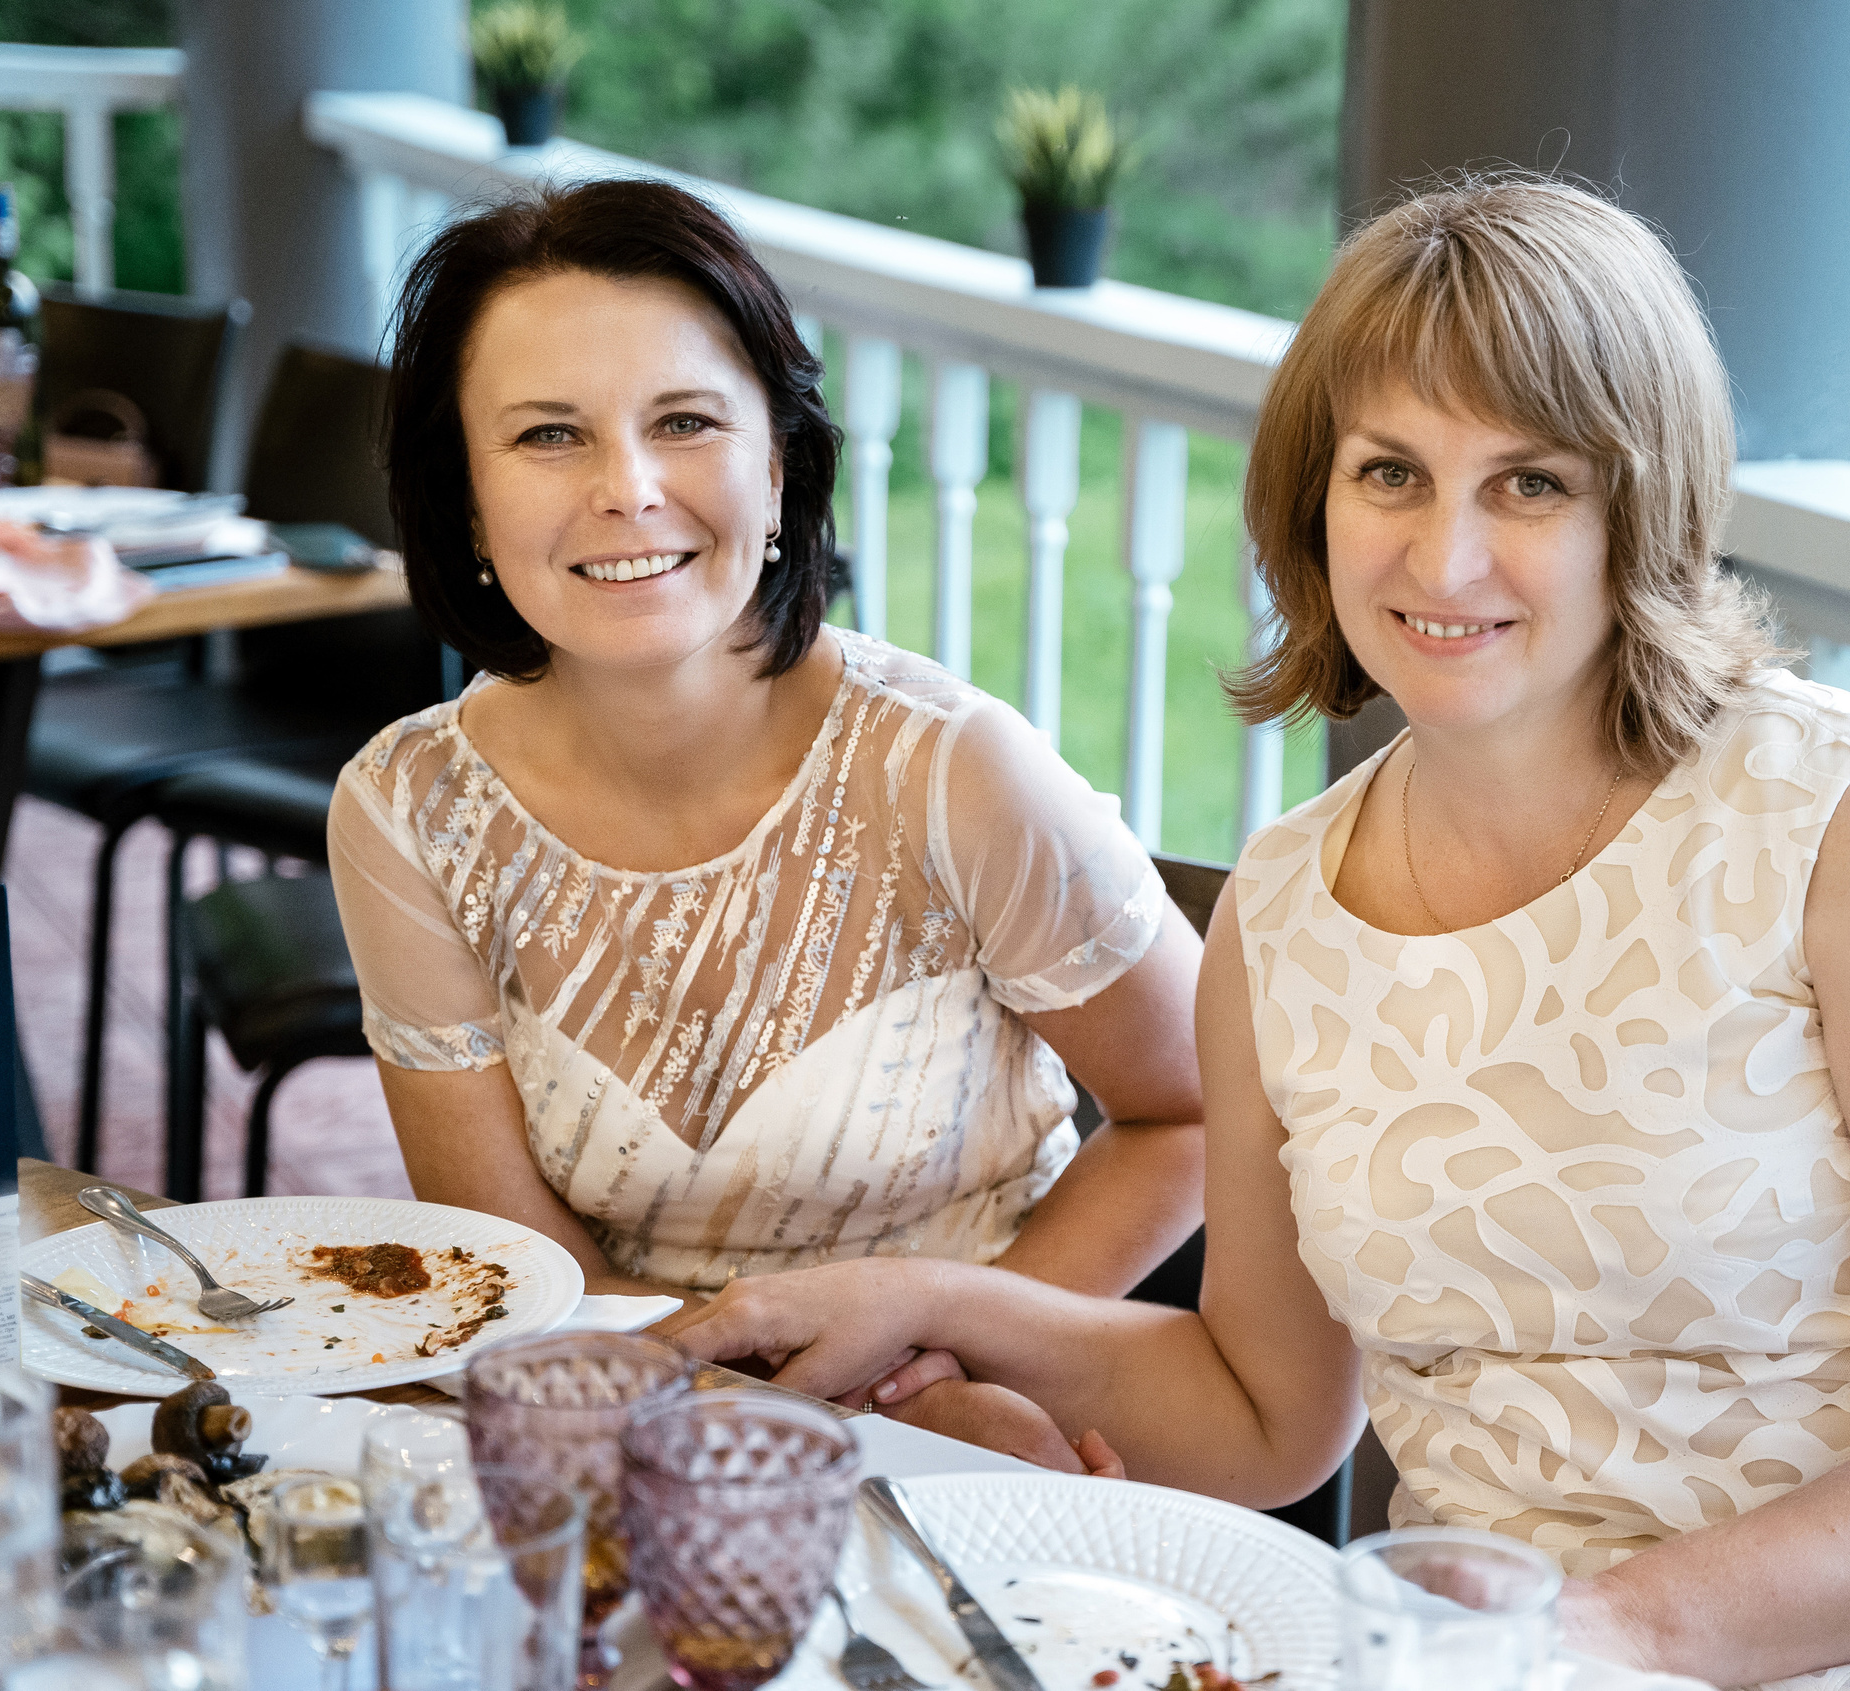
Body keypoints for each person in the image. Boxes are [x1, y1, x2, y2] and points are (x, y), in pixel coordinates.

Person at [673, 174, 1850, 1688]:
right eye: (1390, 473)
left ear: (1639, 505)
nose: (1444, 557)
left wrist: (1597, 1634)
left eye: (1529, 482)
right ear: (1313, 496)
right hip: (1489, 1650)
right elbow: (1266, 1416)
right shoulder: (1281, 910)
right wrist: (941, 1303)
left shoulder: (1846, 822)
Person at [326, 180, 1204, 1465]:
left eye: (684, 422)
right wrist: (739, 1434)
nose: (627, 488)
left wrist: (962, 1350)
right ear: (462, 501)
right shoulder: (410, 811)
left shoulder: (954, 772)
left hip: (969, 1432)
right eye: (547, 436)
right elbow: (523, 1269)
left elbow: (1193, 1113)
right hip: (625, 1440)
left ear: (780, 465)